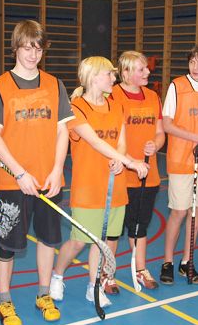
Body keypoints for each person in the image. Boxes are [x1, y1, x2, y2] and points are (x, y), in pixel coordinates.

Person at [0, 20, 72, 325]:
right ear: (15, 48)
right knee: (7, 245)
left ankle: (44, 295)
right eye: (27, 48)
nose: (33, 55)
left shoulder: (55, 84)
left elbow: (62, 131)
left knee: (48, 240)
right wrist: (19, 173)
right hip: (14, 182)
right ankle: (4, 301)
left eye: (38, 48)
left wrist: (57, 170)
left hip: (49, 180)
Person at [51, 56, 149, 306]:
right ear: (94, 77)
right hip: (88, 187)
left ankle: (93, 286)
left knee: (102, 242)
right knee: (78, 241)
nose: (114, 78)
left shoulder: (116, 106)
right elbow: (94, 141)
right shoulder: (76, 107)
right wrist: (129, 162)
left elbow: (121, 142)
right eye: (110, 74)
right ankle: (57, 275)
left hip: (114, 186)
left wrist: (119, 159)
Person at [159, 43, 198, 285]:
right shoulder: (177, 86)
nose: (195, 67)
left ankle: (187, 261)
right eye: (192, 61)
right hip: (181, 159)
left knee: (195, 212)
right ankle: (168, 261)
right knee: (179, 211)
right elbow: (167, 124)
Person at [110, 51, 165, 290]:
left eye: (146, 68)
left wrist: (156, 144)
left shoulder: (153, 96)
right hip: (120, 174)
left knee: (140, 226)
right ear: (126, 72)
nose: (148, 72)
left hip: (147, 175)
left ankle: (140, 269)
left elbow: (160, 132)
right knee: (113, 230)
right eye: (141, 69)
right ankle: (107, 272)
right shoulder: (113, 95)